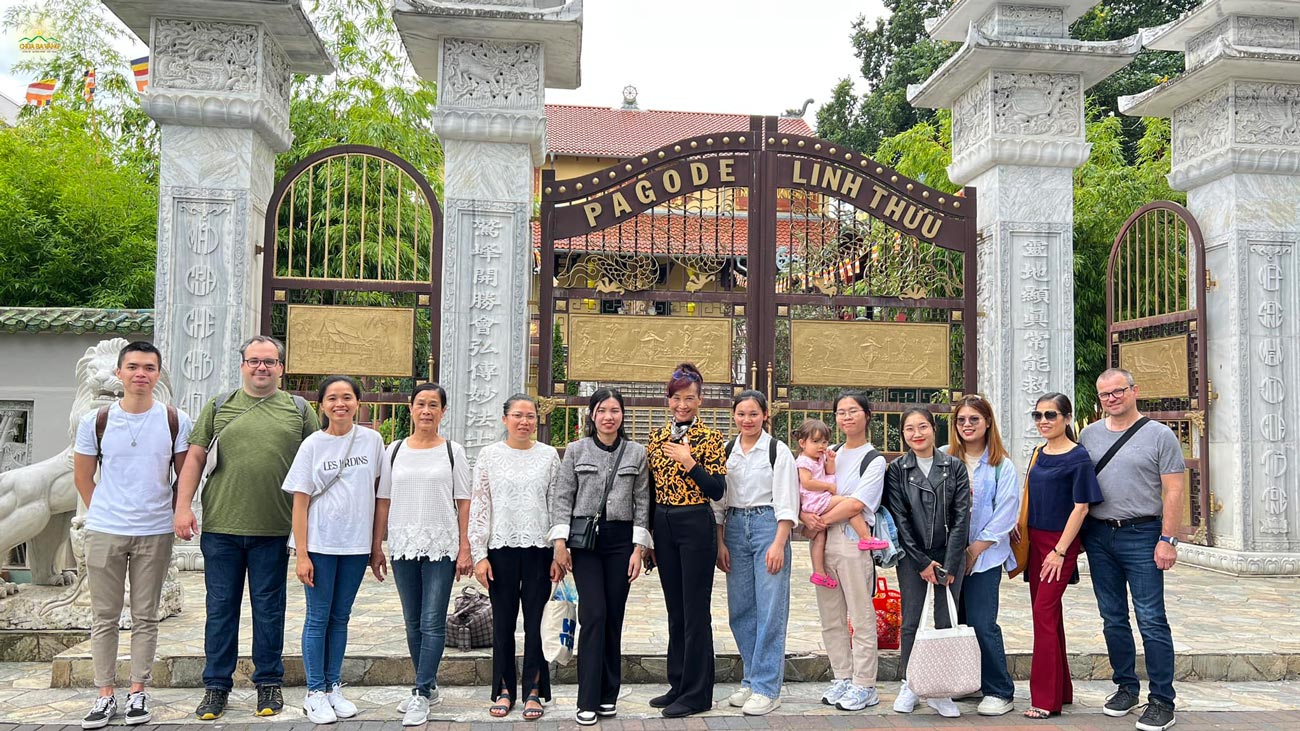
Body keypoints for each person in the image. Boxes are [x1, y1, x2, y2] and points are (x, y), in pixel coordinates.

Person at [174, 335, 319, 721]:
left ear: (281, 368)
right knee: (220, 609)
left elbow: (317, 467)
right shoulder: (220, 406)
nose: (261, 368)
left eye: (269, 362)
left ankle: (268, 682)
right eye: (254, 361)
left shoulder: (299, 410)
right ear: (242, 365)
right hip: (221, 527)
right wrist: (183, 506)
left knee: (269, 609)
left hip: (274, 529)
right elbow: (194, 458)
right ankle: (215, 687)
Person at [72, 341, 193, 729]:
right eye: (134, 367)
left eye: (149, 368)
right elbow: (82, 475)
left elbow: (182, 477)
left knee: (145, 616)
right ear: (121, 373)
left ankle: (138, 690)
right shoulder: (96, 421)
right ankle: (105, 693)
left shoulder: (175, 419)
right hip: (105, 530)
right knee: (104, 617)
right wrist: (104, 510)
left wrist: (176, 512)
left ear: (158, 375)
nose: (141, 374)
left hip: (154, 531)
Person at [1080, 369, 1185, 731]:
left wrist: (1167, 539)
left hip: (1143, 534)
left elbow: (1173, 491)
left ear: (1134, 391)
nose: (1112, 398)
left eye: (1118, 391)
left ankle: (1161, 700)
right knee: (1112, 617)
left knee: (1152, 619)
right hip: (1099, 535)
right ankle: (1126, 686)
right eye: (1105, 394)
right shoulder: (1088, 435)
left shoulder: (1159, 435)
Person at [282, 376, 385, 724]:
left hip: (355, 545)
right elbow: (300, 502)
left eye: (347, 397)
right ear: (322, 405)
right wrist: (303, 553)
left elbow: (377, 494)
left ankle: (332, 686)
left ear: (358, 402)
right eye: (332, 398)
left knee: (340, 618)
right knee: (318, 617)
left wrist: (375, 546)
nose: (340, 404)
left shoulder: (372, 441)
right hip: (321, 544)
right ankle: (314, 692)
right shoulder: (312, 444)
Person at [371, 383, 472, 727]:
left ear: (443, 412)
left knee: (432, 620)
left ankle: (419, 690)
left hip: (441, 545)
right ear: (411, 409)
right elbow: (382, 500)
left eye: (433, 405)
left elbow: (464, 501)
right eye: (420, 404)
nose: (426, 410)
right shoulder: (394, 450)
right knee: (412, 621)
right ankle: (427, 687)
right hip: (403, 543)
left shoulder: (453, 452)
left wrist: (464, 546)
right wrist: (377, 546)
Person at [549, 388, 651, 726]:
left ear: (622, 415)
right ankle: (587, 698)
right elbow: (563, 497)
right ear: (592, 415)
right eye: (603, 410)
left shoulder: (637, 453)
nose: (609, 416)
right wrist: (560, 543)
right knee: (593, 614)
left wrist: (639, 548)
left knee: (614, 618)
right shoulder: (576, 451)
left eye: (615, 410)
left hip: (621, 543)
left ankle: (609, 694)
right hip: (585, 543)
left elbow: (642, 503)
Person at [469, 394, 562, 721]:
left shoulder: (549, 456)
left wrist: (558, 551)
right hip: (500, 550)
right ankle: (505, 688)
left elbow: (556, 506)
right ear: (505, 419)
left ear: (538, 420)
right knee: (504, 624)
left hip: (540, 550)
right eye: (518, 416)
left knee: (537, 623)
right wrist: (479, 553)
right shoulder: (489, 456)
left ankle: (535, 689)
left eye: (530, 416)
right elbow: (480, 505)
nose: (525, 422)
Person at [645, 363, 727, 718]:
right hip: (663, 524)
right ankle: (678, 683)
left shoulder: (711, 438)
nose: (683, 405)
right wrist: (647, 537)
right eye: (677, 398)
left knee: (696, 612)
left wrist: (690, 462)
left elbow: (717, 489)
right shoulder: (656, 436)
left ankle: (697, 693)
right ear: (669, 400)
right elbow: (648, 490)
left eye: (690, 398)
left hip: (695, 521)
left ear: (700, 400)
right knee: (675, 610)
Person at [713, 390, 799, 716]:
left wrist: (779, 542)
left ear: (765, 415)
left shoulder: (778, 452)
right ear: (734, 416)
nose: (747, 420)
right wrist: (720, 542)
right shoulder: (726, 451)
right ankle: (751, 678)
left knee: (771, 608)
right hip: (734, 527)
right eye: (741, 414)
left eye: (753, 414)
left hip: (768, 525)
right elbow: (718, 502)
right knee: (741, 609)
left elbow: (788, 501)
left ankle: (767, 687)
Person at [885, 406, 971, 718]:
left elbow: (962, 518)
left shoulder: (954, 467)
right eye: (910, 429)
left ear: (934, 429)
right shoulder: (897, 470)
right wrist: (921, 562)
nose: (917, 434)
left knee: (944, 621)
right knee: (911, 621)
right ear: (903, 433)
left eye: (922, 427)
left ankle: (940, 690)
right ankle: (911, 683)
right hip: (912, 558)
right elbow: (900, 519)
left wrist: (947, 563)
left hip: (949, 555)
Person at [1021, 393, 1103, 720]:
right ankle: (1062, 690)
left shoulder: (1078, 458)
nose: (1043, 421)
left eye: (1050, 415)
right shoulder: (1038, 453)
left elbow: (1081, 507)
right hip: (1035, 540)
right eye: (1038, 415)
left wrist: (1060, 551)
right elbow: (1030, 494)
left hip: (1059, 544)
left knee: (1043, 614)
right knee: (1048, 616)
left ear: (1067, 419)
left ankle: (1045, 700)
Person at [804, 391, 884, 712]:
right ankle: (843, 677)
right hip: (822, 542)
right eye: (840, 412)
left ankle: (865, 684)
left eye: (853, 411)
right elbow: (807, 489)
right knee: (831, 617)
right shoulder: (829, 452)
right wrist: (806, 518)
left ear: (867, 415)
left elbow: (856, 503)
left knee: (861, 617)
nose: (846, 417)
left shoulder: (873, 459)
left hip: (852, 541)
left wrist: (815, 520)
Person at [943, 395, 1019, 716]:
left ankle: (999, 689)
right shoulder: (946, 458)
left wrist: (976, 548)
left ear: (987, 422)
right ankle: (965, 681)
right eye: (961, 420)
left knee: (981, 622)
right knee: (953, 620)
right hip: (949, 556)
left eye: (974, 419)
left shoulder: (1002, 464)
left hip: (985, 558)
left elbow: (1006, 512)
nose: (967, 425)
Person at [794, 418, 886, 588]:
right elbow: (806, 482)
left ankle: (819, 572)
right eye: (815, 442)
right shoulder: (804, 461)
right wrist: (828, 486)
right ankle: (865, 537)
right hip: (816, 501)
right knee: (849, 504)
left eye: (824, 442)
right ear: (802, 443)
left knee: (819, 538)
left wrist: (830, 460)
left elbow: (830, 471)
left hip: (817, 503)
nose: (821, 446)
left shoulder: (819, 457)